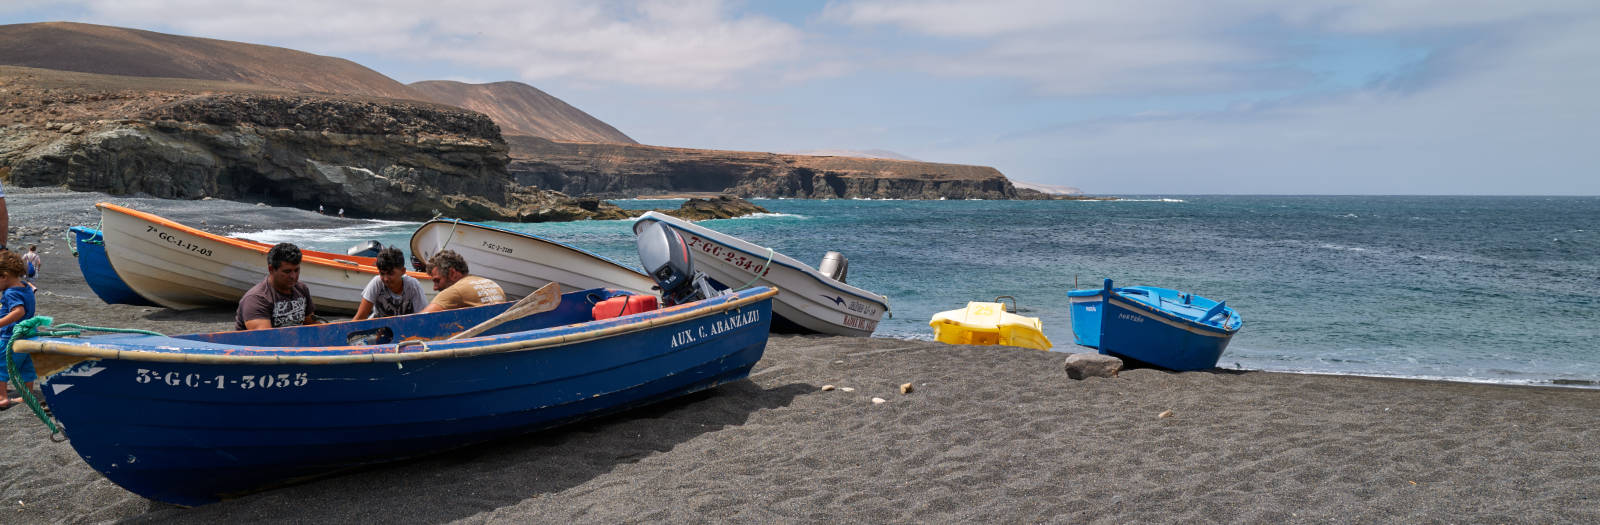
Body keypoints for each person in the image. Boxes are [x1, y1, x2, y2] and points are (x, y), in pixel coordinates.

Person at [235, 243, 317, 331]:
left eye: (296, 270)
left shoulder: (301, 289)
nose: (293, 276)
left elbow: (311, 324)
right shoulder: (257, 299)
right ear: (271, 269)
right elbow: (264, 338)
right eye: (287, 271)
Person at [0, 251, 36, 409]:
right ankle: (26, 395)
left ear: (4, 276)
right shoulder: (26, 286)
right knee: (26, 366)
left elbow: (18, 311)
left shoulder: (10, 292)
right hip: (29, 334)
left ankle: (2, 398)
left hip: (11, 337)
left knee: (1, 365)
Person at [352, 247, 426, 320]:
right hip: (380, 328)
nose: (386, 279)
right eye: (382, 274)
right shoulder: (377, 283)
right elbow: (360, 317)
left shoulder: (413, 286)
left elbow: (422, 318)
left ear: (403, 271)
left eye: (390, 273)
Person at [421, 250, 505, 312]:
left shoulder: (456, 291)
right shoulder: (491, 283)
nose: (435, 288)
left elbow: (420, 319)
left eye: (437, 280)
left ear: (452, 273)